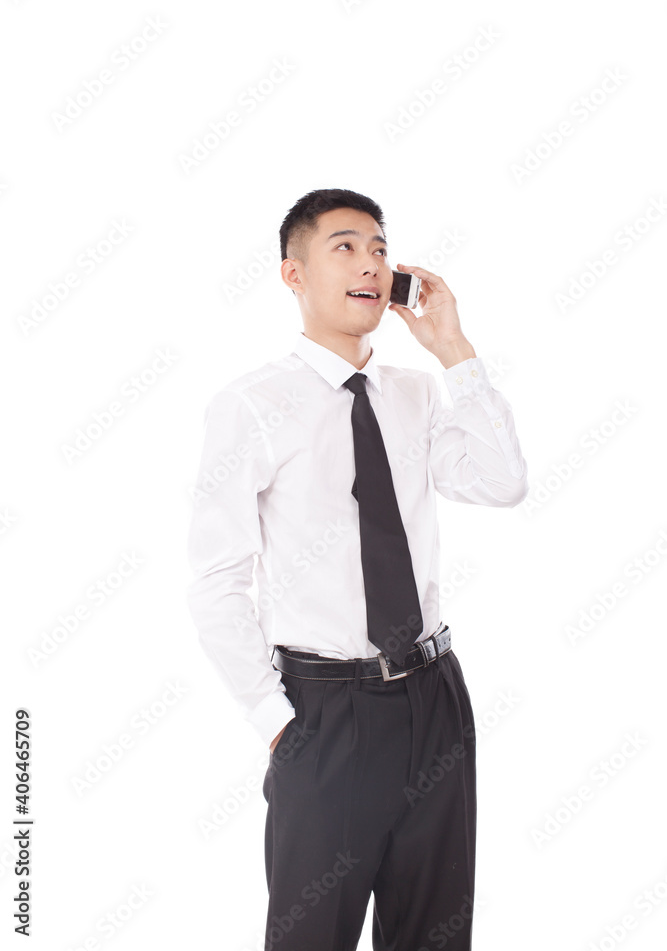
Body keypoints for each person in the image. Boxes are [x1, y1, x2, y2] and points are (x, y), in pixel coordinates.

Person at [186, 187, 529, 950]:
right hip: (324, 711)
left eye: (379, 248)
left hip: (436, 700)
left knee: (432, 937)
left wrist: (453, 349)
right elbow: (215, 580)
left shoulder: (415, 392)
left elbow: (502, 482)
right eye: (344, 246)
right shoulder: (250, 406)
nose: (370, 263)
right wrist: (277, 725)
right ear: (292, 274)